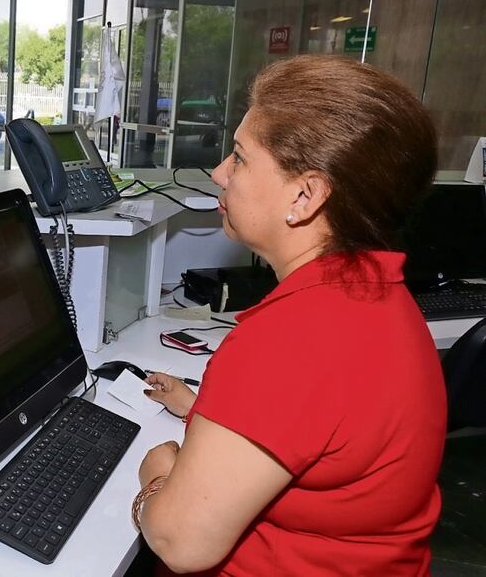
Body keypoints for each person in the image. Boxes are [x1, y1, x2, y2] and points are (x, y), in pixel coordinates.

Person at [134, 55, 445, 575]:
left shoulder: (294, 338)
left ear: (305, 196)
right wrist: (201, 409)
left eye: (239, 158)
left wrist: (157, 478)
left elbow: (179, 542)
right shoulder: (377, 293)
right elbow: (319, 422)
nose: (219, 173)